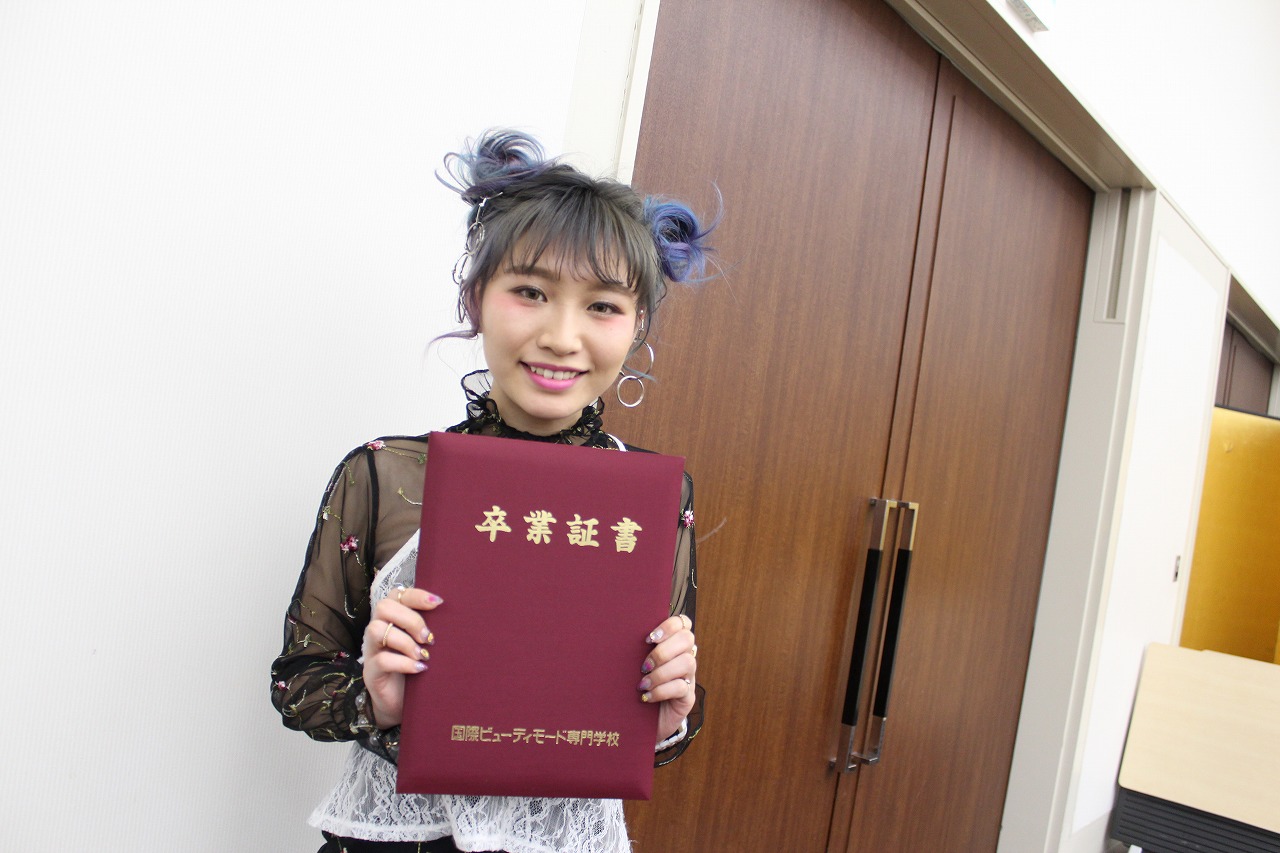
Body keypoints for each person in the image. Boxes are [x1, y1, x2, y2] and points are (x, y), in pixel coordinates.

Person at [270, 129, 714, 853]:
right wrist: (378, 697)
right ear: (476, 298)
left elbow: (669, 706)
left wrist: (669, 713)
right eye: (530, 292)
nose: (562, 336)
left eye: (603, 306)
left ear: (638, 325)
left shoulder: (656, 495)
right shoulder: (383, 474)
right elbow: (300, 681)